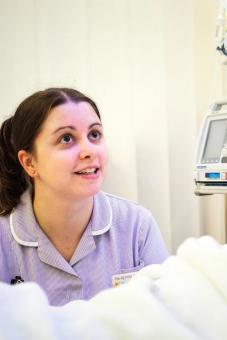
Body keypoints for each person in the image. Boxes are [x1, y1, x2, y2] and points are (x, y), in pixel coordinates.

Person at [0, 88, 168, 305]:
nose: (89, 151)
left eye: (94, 134)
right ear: (30, 163)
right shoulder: (4, 239)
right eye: (67, 138)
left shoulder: (137, 226)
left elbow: (166, 319)